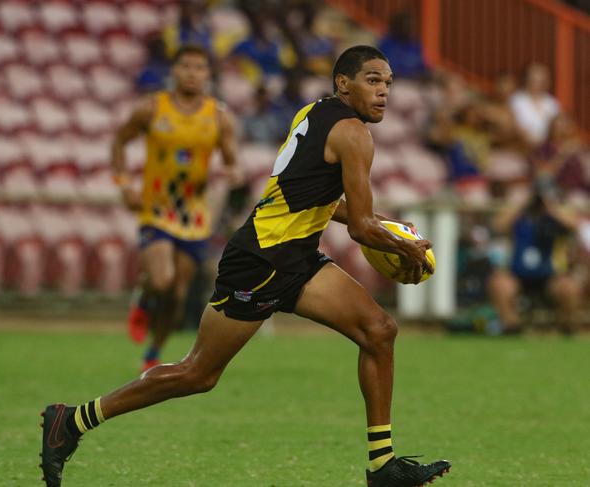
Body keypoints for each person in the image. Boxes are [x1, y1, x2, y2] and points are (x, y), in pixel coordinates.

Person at [40, 45, 451, 487]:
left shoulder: (314, 113)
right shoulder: (353, 134)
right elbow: (361, 228)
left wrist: (385, 227)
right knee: (198, 374)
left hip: (295, 258)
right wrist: (403, 246)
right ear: (343, 83)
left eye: (388, 82)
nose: (384, 91)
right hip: (260, 262)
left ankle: (381, 465)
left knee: (378, 330)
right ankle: (73, 421)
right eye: (373, 80)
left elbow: (324, 203)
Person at [111, 44, 239, 371]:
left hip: (194, 216)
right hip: (156, 209)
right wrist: (125, 186)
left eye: (199, 67)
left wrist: (226, 173)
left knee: (178, 296)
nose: (192, 73)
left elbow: (231, 163)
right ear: (174, 71)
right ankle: (143, 293)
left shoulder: (219, 117)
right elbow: (119, 143)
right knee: (162, 279)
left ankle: (153, 352)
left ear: (208, 74)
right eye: (186, 66)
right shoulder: (152, 109)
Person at [487, 185, 582, 335]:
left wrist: (550, 208)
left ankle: (566, 327)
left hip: (551, 276)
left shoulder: (556, 219)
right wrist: (523, 203)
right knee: (499, 284)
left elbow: (576, 226)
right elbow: (498, 225)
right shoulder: (519, 219)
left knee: (570, 287)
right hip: (518, 275)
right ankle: (512, 327)